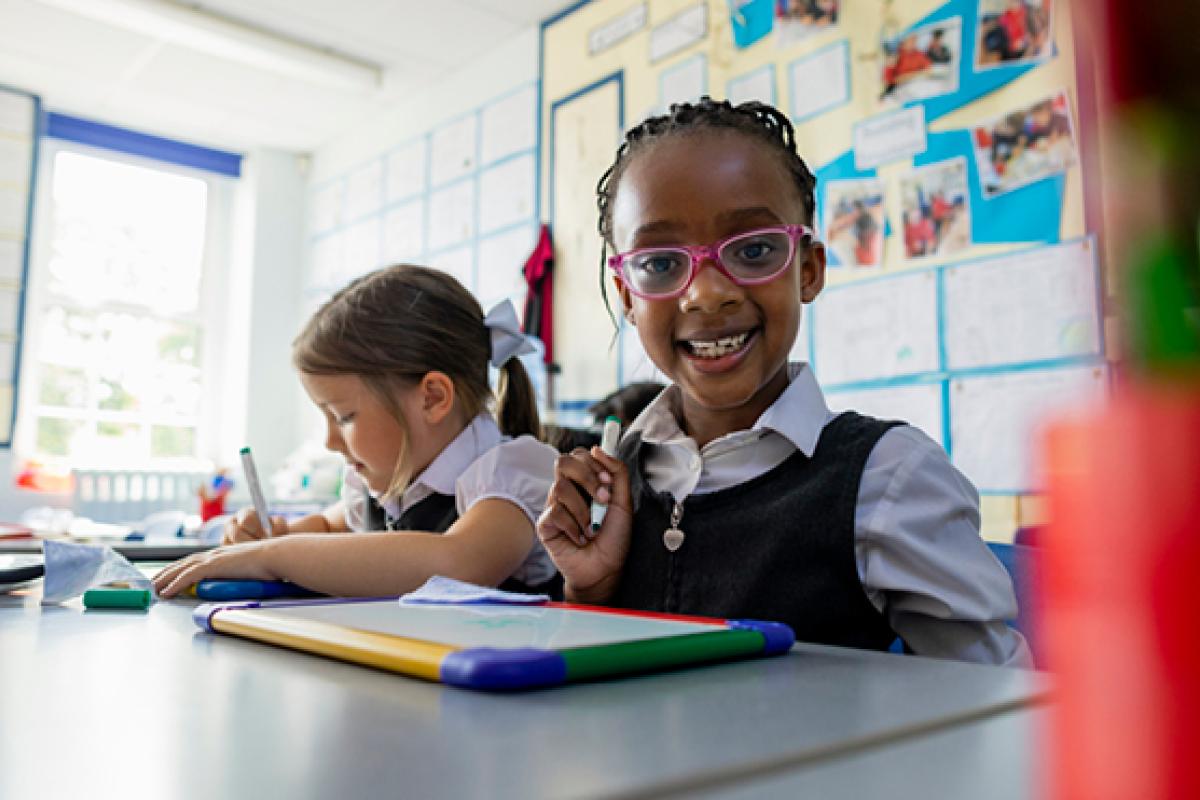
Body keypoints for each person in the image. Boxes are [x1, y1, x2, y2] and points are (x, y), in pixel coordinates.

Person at [536, 97, 1030, 666]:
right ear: (627, 295)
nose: (706, 293)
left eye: (753, 250)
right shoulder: (609, 481)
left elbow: (997, 703)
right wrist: (589, 592)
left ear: (809, 269)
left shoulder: (886, 477)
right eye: (661, 264)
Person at [154, 265, 560, 599]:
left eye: (344, 416)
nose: (330, 441)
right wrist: (267, 535)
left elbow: (456, 563)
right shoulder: (386, 485)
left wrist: (274, 554)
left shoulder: (511, 473)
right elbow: (330, 531)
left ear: (432, 398)